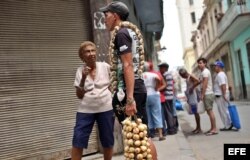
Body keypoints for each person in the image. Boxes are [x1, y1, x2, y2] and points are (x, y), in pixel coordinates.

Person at [100, 2, 157, 159]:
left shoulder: (122, 34)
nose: (105, 19)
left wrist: (130, 98)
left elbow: (128, 65)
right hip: (130, 88)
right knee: (138, 136)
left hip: (130, 90)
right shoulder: (127, 32)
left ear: (115, 16)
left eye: (106, 15)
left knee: (141, 136)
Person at [71, 41, 114, 160]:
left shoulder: (105, 67)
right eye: (87, 51)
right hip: (86, 110)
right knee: (78, 139)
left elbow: (114, 84)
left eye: (93, 50)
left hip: (106, 108)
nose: (91, 53)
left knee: (107, 140)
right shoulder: (80, 71)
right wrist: (84, 78)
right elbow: (79, 95)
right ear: (82, 56)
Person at [143, 62, 166, 141]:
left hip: (145, 95)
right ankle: (160, 134)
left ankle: (150, 134)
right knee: (157, 113)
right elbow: (159, 80)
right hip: (154, 94)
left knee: (147, 114)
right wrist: (156, 87)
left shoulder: (141, 75)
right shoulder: (153, 75)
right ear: (150, 68)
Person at [197, 58, 218, 136]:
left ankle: (214, 129)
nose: (199, 64)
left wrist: (202, 95)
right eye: (198, 63)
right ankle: (212, 128)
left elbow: (205, 84)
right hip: (207, 93)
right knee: (209, 112)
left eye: (201, 63)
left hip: (207, 93)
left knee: (210, 111)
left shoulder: (205, 72)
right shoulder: (203, 72)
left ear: (205, 63)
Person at [179, 68, 201, 134]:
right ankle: (197, 127)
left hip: (193, 96)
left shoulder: (190, 76)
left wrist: (192, 87)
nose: (182, 77)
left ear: (184, 74)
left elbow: (198, 81)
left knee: (196, 112)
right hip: (190, 97)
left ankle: (199, 128)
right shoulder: (187, 78)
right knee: (195, 112)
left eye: (181, 75)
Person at [148, 62, 168, 136]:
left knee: (158, 114)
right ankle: (159, 132)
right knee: (158, 114)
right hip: (156, 96)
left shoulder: (155, 73)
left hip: (158, 97)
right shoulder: (156, 73)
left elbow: (164, 84)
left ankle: (162, 131)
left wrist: (157, 89)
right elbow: (164, 84)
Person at [213, 60, 233, 131]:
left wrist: (224, 94)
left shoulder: (220, 74)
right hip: (222, 94)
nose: (214, 68)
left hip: (221, 95)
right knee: (225, 109)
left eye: (215, 66)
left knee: (223, 110)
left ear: (219, 66)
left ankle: (227, 125)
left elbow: (223, 85)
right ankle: (229, 123)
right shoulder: (222, 74)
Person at [158, 62, 178, 135]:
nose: (160, 69)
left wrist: (158, 89)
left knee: (168, 113)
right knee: (170, 112)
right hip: (170, 96)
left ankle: (171, 129)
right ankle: (172, 128)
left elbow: (165, 85)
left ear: (165, 68)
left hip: (167, 96)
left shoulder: (166, 75)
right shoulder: (169, 74)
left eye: (161, 68)